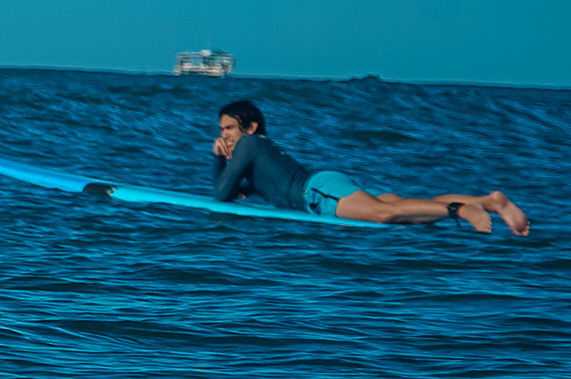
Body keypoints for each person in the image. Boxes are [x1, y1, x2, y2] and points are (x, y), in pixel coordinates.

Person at [211, 99, 527, 235]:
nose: (223, 136)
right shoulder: (259, 153)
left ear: (250, 127)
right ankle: (489, 202)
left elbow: (221, 194)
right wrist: (226, 166)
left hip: (318, 192)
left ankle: (460, 211)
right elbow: (236, 193)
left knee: (384, 215)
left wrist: (217, 158)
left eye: (228, 129)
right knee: (406, 208)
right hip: (327, 184)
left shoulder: (251, 144)